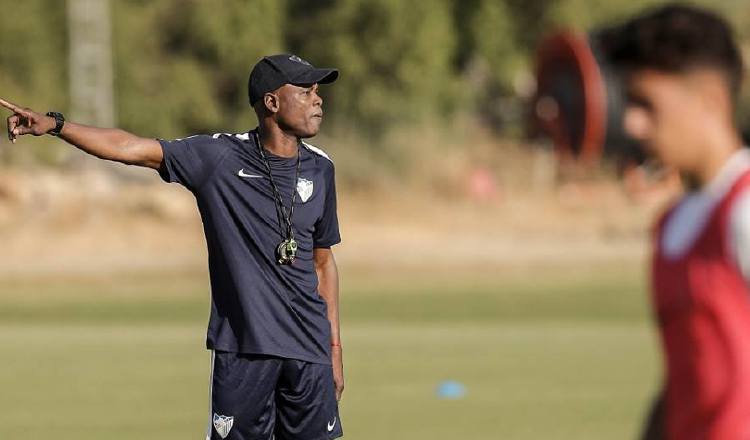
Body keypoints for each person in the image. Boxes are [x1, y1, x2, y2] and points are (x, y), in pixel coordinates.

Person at [1, 54, 345, 440]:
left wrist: (334, 349)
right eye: (305, 91)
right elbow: (129, 147)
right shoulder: (219, 157)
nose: (318, 100)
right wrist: (56, 125)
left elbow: (322, 263)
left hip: (310, 355)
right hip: (245, 351)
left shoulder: (321, 168)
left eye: (317, 91)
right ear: (272, 102)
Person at [600, 4, 750, 439]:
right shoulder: (672, 224)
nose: (633, 123)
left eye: (647, 104)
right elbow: (686, 381)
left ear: (711, 99)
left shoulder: (743, 214)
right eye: (629, 103)